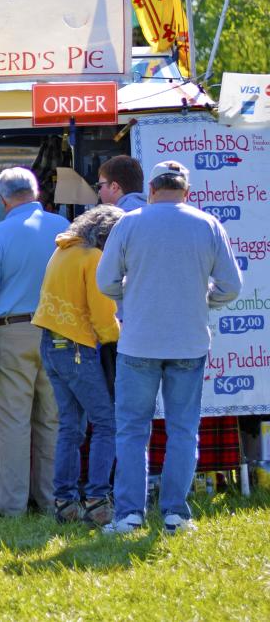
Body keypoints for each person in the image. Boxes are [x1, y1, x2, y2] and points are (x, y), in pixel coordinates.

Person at [96, 160, 242, 535]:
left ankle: (129, 514)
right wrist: (202, 298)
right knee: (183, 430)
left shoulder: (129, 223)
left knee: (131, 430)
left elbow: (105, 281)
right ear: (187, 192)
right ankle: (175, 513)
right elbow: (231, 286)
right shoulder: (207, 225)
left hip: (139, 341)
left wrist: (132, 296)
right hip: (188, 341)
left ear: (152, 190)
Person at [0, 166, 69, 516]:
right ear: (37, 193)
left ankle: (11, 507)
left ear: (2, 199)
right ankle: (52, 501)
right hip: (60, 333)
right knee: (53, 422)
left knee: (12, 424)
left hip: (11, 332)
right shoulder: (64, 229)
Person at [32, 204, 125, 526]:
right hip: (76, 349)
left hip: (51, 345)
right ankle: (98, 500)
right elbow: (103, 317)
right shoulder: (93, 258)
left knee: (70, 428)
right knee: (107, 423)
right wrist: (119, 336)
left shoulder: (62, 252)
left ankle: (65, 503)